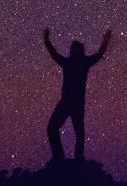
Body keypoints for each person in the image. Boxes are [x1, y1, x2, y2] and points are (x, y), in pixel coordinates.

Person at [44, 27, 111, 164]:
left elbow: (54, 54)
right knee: (73, 132)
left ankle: (63, 157)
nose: (72, 50)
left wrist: (47, 40)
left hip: (70, 102)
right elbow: (99, 53)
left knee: (65, 130)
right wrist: (106, 40)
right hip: (73, 102)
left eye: (74, 48)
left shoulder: (73, 63)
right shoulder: (80, 63)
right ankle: (70, 157)